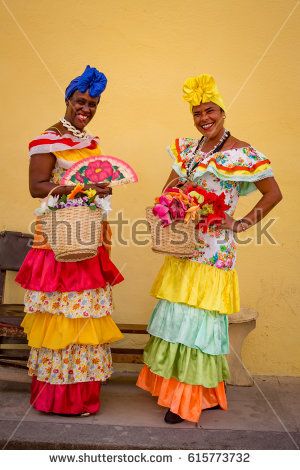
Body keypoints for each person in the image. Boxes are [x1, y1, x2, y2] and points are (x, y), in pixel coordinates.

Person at [137, 74, 282, 423]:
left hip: (215, 249)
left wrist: (240, 223)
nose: (204, 119)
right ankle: (202, 392)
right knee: (178, 318)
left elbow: (274, 193)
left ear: (223, 111)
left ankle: (188, 398)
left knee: (200, 321)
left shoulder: (243, 153)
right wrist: (177, 196)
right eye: (197, 113)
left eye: (210, 111)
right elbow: (168, 188)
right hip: (185, 244)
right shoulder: (189, 149)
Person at [16, 65, 124, 415]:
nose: (86, 109)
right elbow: (37, 187)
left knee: (85, 317)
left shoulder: (88, 142)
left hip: (88, 238)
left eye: (93, 104)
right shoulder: (47, 139)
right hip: (58, 242)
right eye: (81, 101)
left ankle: (82, 397)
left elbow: (90, 181)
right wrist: (79, 188)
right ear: (68, 99)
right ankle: (57, 398)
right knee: (62, 314)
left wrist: (99, 188)